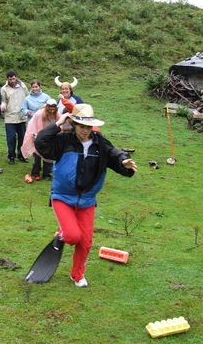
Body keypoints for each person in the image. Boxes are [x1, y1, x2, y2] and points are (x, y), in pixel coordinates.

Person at [34, 103, 137, 287]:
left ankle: (77, 275)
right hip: (62, 197)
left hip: (87, 200)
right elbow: (41, 142)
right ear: (74, 124)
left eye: (88, 127)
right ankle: (63, 232)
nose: (85, 131)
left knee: (86, 242)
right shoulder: (63, 140)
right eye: (81, 126)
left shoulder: (99, 143)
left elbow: (114, 154)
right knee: (73, 236)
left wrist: (124, 162)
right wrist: (59, 122)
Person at [21, 98, 60, 182]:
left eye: (54, 108)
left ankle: (47, 174)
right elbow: (38, 127)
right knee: (37, 155)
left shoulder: (57, 113)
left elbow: (59, 123)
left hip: (50, 136)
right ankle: (35, 173)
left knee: (48, 155)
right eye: (50, 108)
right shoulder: (40, 113)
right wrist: (40, 138)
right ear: (47, 107)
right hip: (38, 135)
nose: (52, 110)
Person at [0, 70, 29, 165]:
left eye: (13, 78)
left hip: (21, 116)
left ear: (16, 77)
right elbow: (3, 101)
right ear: (7, 79)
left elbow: (28, 97)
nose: (12, 80)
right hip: (10, 117)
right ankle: (11, 156)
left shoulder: (23, 86)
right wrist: (3, 105)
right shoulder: (4, 89)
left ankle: (21, 155)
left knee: (22, 137)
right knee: (11, 138)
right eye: (10, 79)